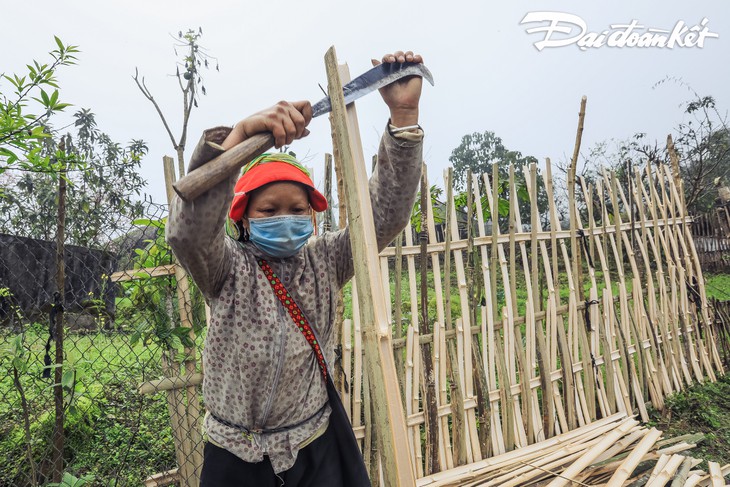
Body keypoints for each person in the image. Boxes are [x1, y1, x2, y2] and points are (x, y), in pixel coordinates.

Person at [166, 50, 425, 487]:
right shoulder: (226, 269)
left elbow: (384, 216)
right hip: (234, 453)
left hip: (312, 445)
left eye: (297, 209)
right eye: (269, 211)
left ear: (313, 217)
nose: (284, 218)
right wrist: (240, 135)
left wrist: (404, 115)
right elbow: (187, 233)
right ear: (242, 219)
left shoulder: (326, 260)